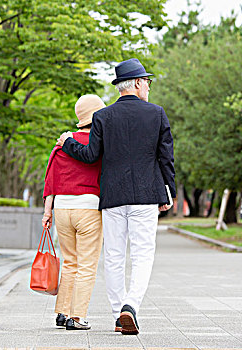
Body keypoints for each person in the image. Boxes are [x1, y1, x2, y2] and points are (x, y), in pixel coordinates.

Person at [57, 58, 176, 335]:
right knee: (143, 254)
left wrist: (68, 142)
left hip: (112, 197)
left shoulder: (102, 117)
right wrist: (168, 191)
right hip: (147, 196)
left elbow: (90, 156)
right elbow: (166, 159)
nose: (148, 86)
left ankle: (116, 314)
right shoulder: (157, 114)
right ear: (137, 83)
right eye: (146, 81)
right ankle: (130, 306)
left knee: (113, 256)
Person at [42, 94, 105, 331]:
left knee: (69, 262)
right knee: (87, 264)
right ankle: (77, 317)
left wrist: (47, 213)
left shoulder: (62, 144)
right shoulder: (99, 144)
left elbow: (51, 181)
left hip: (62, 208)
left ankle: (62, 311)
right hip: (88, 207)